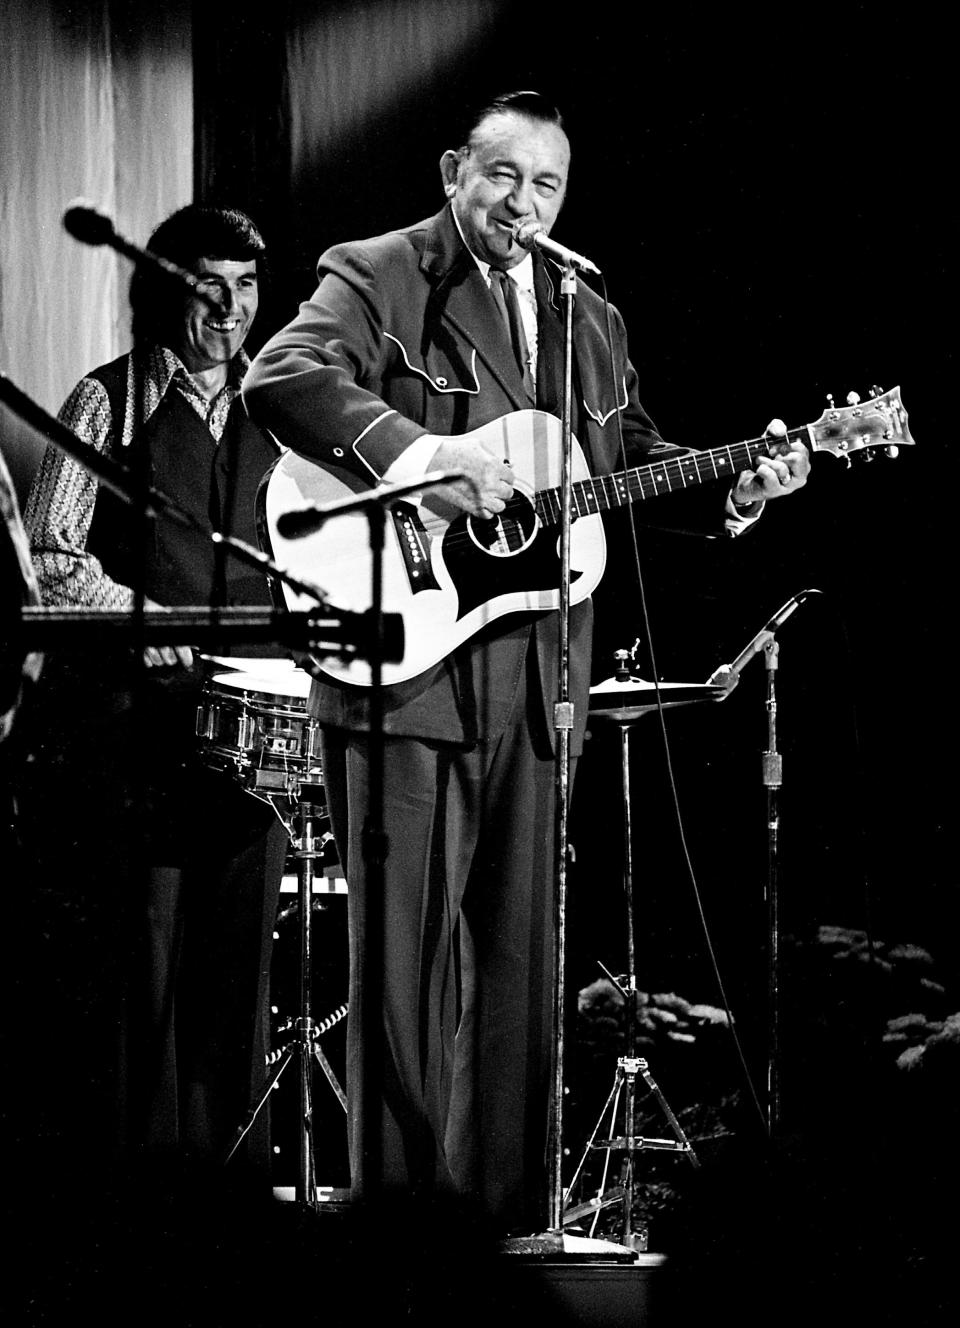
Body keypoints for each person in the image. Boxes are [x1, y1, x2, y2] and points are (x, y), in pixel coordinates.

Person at [242, 91, 810, 1235]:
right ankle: (400, 1226)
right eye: (502, 176)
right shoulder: (381, 270)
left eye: (544, 186)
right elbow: (284, 378)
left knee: (520, 964)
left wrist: (736, 484)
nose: (521, 204)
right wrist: (422, 460)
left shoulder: (587, 316)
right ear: (457, 170)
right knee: (404, 964)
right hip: (405, 663)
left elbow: (624, 462)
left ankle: (505, 1218)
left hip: (540, 682)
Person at [20, 205, 289, 1180]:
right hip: (132, 740)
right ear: (166, 287)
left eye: (249, 287)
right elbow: (52, 562)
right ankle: (141, 1217)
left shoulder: (283, 406)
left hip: (254, 739)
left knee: (238, 984)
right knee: (145, 978)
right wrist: (153, 629)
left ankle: (237, 1209)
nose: (230, 309)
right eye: (209, 286)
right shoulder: (109, 400)